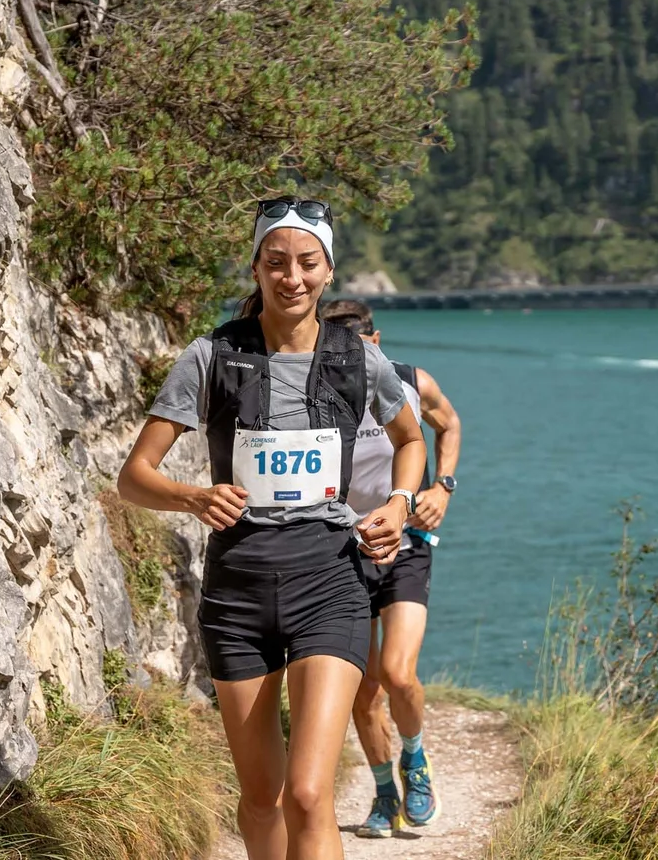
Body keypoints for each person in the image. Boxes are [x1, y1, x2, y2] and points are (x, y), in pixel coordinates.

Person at [119, 200, 428, 860]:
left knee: (310, 795)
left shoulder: (359, 360)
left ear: (329, 270)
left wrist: (401, 502)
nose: (293, 277)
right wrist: (192, 497)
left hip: (330, 581)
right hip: (239, 593)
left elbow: (412, 439)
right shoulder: (211, 356)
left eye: (308, 263)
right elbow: (133, 477)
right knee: (262, 801)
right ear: (256, 266)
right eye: (277, 262)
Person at [319, 299, 463, 838]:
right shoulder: (315, 396)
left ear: (377, 340)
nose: (353, 362)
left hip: (405, 542)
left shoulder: (409, 382)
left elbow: (448, 426)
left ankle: (416, 762)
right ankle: (384, 794)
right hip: (343, 551)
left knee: (398, 674)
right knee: (363, 691)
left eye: (362, 350)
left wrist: (442, 487)